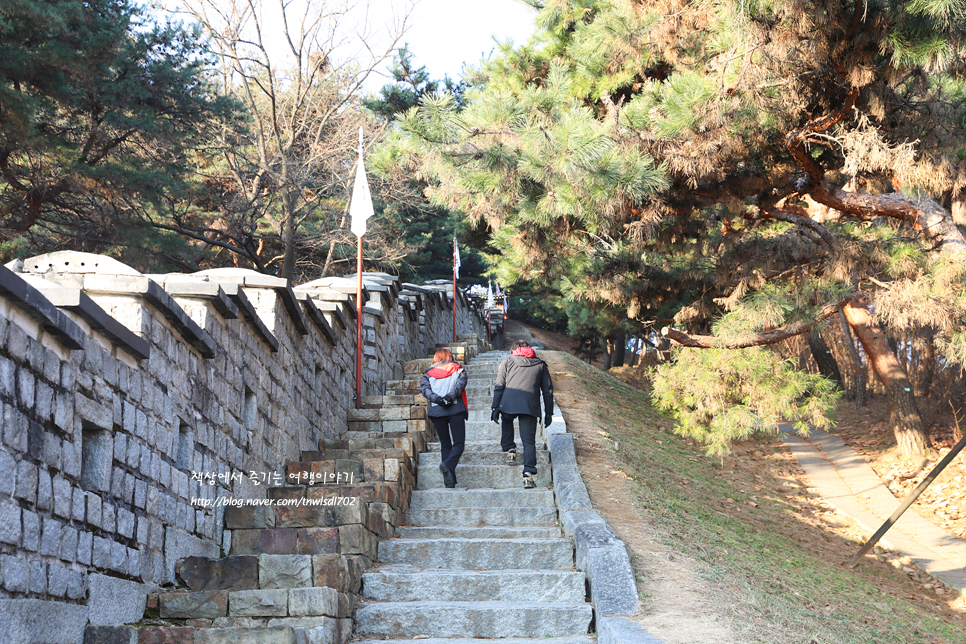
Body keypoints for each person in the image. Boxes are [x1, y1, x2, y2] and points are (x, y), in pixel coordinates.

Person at [491, 340, 554, 489]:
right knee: (529, 442)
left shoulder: (507, 361)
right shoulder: (540, 365)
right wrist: (549, 413)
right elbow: (548, 391)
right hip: (529, 406)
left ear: (513, 351)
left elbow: (499, 386)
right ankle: (527, 475)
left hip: (508, 403)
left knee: (506, 420)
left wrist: (495, 408)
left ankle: (510, 450)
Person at [420, 348, 469, 488]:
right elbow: (460, 385)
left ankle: (449, 482)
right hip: (456, 410)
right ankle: (447, 465)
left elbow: (425, 390)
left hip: (437, 412)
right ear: (450, 357)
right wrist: (449, 397)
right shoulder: (459, 370)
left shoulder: (427, 374)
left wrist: (439, 399)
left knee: (445, 445)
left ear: (435, 358)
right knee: (459, 444)